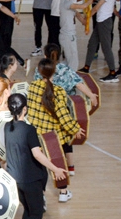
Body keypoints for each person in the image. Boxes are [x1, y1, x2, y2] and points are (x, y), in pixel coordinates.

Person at [4, 93, 68, 219]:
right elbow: (37, 155)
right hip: (30, 179)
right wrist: (55, 169)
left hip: (14, 178)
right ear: (25, 109)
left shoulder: (7, 127)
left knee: (28, 211)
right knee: (36, 214)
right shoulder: (29, 130)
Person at [26, 58, 84, 202]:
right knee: (58, 162)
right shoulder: (58, 91)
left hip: (35, 133)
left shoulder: (33, 86)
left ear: (39, 71)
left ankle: (41, 196)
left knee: (39, 166)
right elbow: (64, 117)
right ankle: (63, 192)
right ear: (54, 72)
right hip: (53, 136)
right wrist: (75, 129)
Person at [34, 43, 100, 114]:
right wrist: (91, 95)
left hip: (46, 104)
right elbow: (79, 84)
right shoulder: (65, 69)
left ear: (45, 56)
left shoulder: (39, 69)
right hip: (65, 106)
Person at [83, 0, 121, 82]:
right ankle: (86, 67)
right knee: (92, 44)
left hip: (104, 21)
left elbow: (97, 7)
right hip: (101, 21)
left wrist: (87, 17)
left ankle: (113, 73)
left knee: (106, 47)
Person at [55, 0, 88, 71]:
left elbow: (80, 17)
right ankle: (70, 77)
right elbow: (83, 6)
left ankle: (55, 72)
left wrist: (85, 19)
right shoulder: (65, 2)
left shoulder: (69, 4)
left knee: (68, 60)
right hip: (67, 35)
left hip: (69, 35)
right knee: (73, 60)